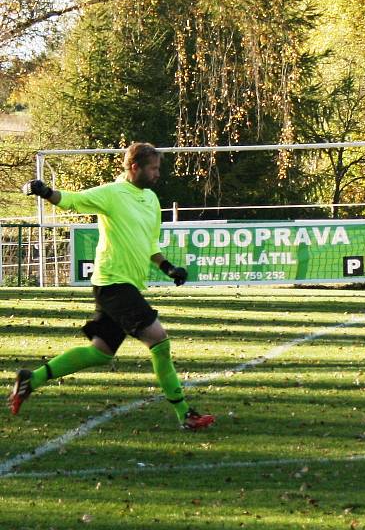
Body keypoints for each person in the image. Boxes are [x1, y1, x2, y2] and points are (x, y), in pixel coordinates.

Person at [9, 142, 215, 431]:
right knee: (159, 340)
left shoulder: (152, 200)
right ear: (135, 167)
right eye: (153, 168)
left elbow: (150, 244)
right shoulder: (112, 193)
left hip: (126, 284)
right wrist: (45, 192)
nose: (158, 174)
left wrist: (168, 268)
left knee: (100, 351)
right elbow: (72, 199)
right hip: (112, 283)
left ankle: (33, 378)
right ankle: (185, 413)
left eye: (158, 168)